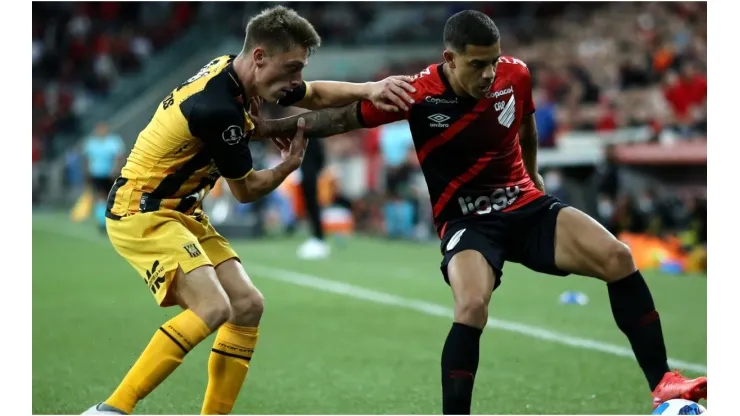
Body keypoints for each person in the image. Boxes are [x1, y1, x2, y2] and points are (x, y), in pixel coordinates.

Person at [255, 10, 707, 414]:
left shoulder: (516, 74)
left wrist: (532, 176)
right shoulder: (418, 92)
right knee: (471, 306)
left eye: (494, 60)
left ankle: (663, 383)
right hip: (467, 220)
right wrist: (270, 127)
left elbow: (526, 125)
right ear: (449, 59)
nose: (490, 72)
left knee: (618, 257)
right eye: (477, 64)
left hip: (524, 204)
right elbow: (341, 116)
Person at [83, 6, 414, 415]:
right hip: (142, 211)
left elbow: (314, 94)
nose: (295, 82)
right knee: (214, 308)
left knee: (248, 306)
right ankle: (112, 409)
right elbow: (246, 190)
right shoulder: (217, 108)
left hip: (183, 210)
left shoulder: (235, 72)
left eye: (299, 70)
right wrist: (288, 165)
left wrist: (369, 89)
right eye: (292, 70)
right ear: (259, 56)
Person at [82, 122, 125, 232]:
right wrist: (87, 172)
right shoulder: (91, 143)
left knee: (111, 197)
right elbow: (87, 159)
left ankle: (112, 220)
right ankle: (102, 223)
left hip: (110, 175)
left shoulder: (113, 142)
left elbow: (119, 157)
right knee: (101, 197)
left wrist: (116, 169)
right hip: (97, 174)